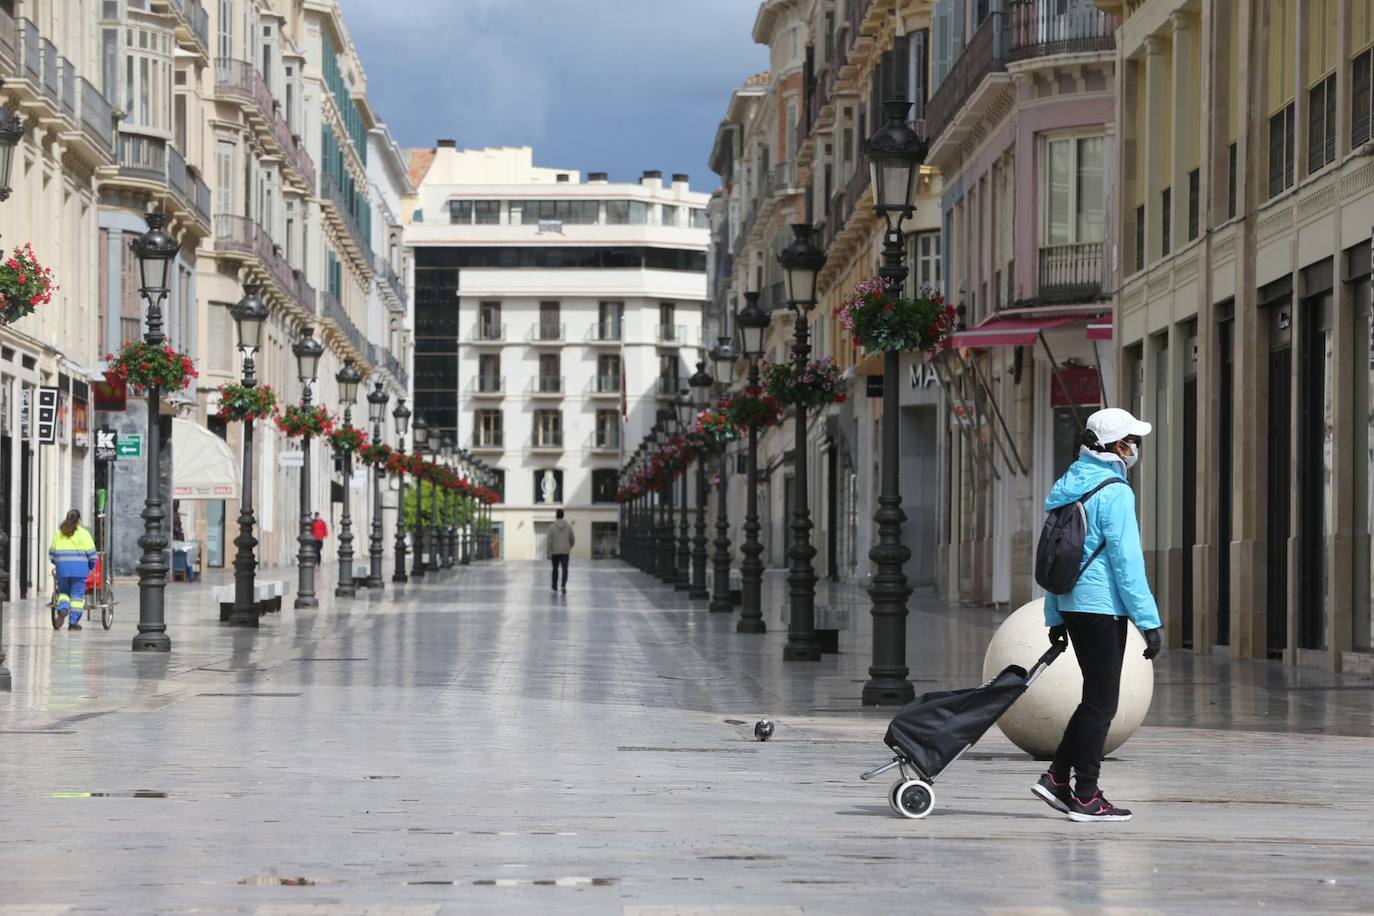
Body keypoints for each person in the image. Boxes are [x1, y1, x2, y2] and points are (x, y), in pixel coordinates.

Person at [1033, 407, 1163, 823]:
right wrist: (1149, 621)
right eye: (1131, 440)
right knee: (1102, 703)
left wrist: (1056, 617)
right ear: (1115, 446)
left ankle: (1056, 779)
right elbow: (1127, 562)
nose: (1135, 447)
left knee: (1094, 699)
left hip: (1073, 606)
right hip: (1102, 608)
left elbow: (1057, 557)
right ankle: (1086, 794)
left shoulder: (1069, 484)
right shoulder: (1116, 492)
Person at [49, 509, 97, 631]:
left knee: (63, 592)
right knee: (76, 597)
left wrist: (58, 563)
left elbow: (52, 554)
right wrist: (91, 567)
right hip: (79, 570)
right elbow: (92, 555)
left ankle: (63, 609)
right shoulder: (84, 533)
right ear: (79, 520)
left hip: (62, 569)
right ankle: (73, 622)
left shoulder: (59, 533)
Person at [547, 510, 574, 592]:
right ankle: (563, 585)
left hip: (555, 552)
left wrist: (549, 552)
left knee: (555, 569)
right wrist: (569, 546)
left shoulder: (552, 527)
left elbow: (549, 541)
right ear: (563, 516)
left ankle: (554, 586)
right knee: (565, 569)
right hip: (565, 552)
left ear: (556, 516)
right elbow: (572, 539)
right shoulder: (569, 527)